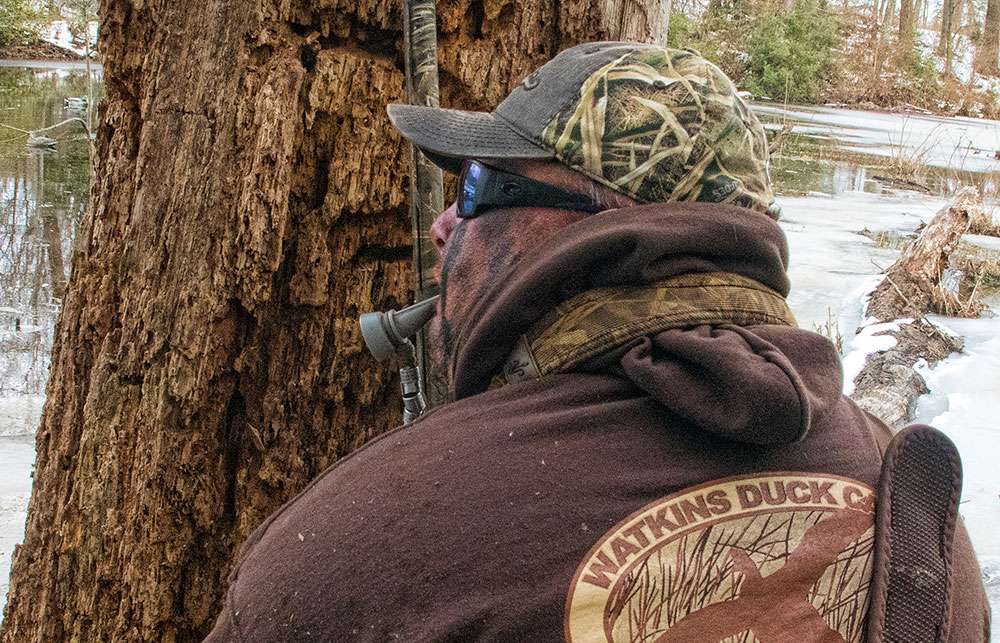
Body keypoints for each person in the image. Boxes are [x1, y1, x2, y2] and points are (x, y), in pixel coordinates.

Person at [205, 42, 989, 642]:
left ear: (585, 219)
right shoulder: (919, 524)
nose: (445, 223)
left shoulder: (364, 541)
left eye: (477, 185)